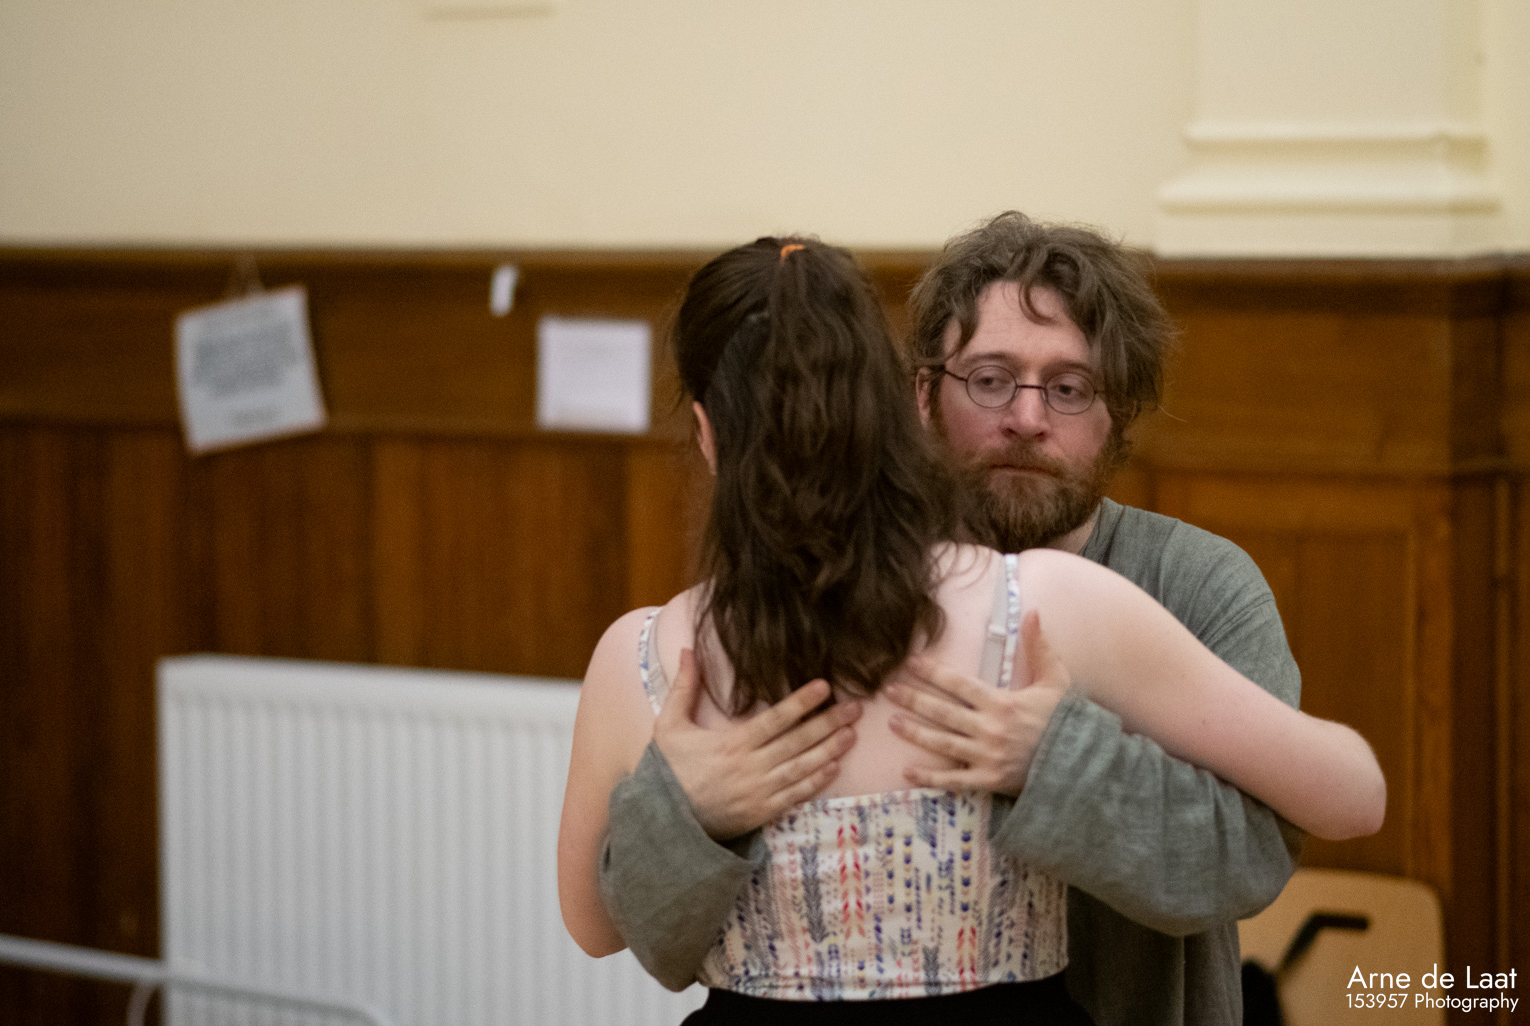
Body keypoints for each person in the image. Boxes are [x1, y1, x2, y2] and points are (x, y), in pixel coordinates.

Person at [560, 235, 1384, 1023]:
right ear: (916, 398)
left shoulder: (1183, 583)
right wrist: (685, 810)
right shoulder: (805, 606)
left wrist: (1060, 761)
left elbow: (1304, 820)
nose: (1026, 418)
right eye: (989, 380)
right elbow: (604, 922)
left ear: (1118, 415)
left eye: (1069, 388)